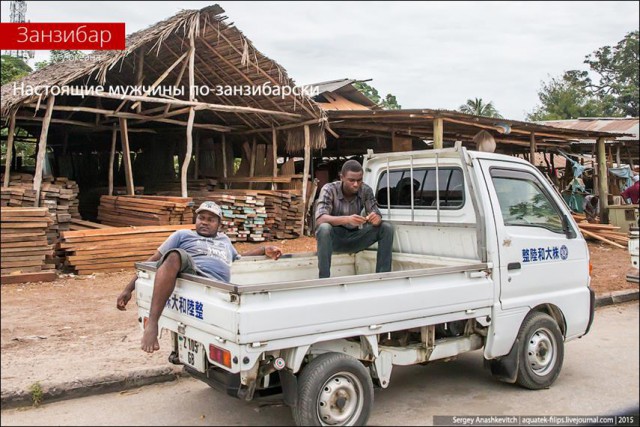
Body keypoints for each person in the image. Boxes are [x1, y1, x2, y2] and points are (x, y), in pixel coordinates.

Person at [116, 201, 283, 353]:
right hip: (193, 274)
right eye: (201, 218)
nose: (204, 222)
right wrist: (128, 289)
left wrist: (263, 249)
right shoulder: (182, 235)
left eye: (211, 219)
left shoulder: (224, 241)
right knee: (173, 256)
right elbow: (151, 262)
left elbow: (238, 258)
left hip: (218, 289)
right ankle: (152, 324)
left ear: (219, 224)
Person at [314, 159, 394, 279]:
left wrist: (375, 218)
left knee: (386, 228)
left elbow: (375, 213)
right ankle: (324, 279)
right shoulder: (329, 189)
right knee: (324, 228)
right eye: (351, 180)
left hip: (356, 237)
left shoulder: (365, 190)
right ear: (342, 177)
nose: (356, 184)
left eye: (359, 180)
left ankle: (383, 277)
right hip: (334, 239)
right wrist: (347, 219)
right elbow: (320, 219)